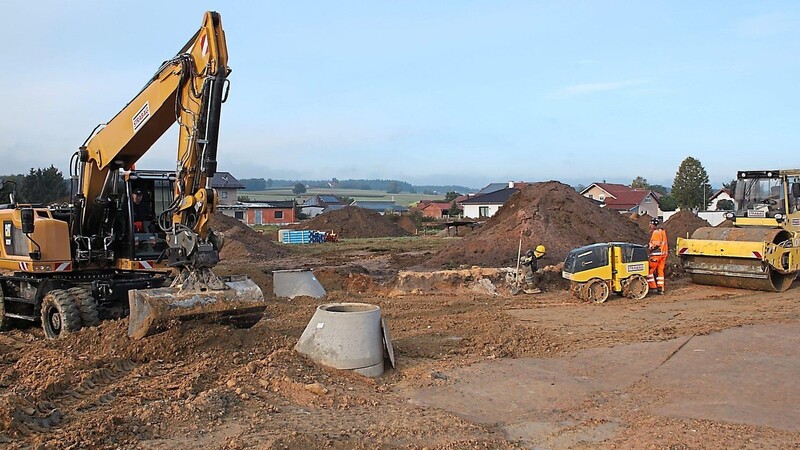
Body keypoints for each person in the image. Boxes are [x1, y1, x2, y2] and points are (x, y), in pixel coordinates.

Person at [647, 218, 668, 295]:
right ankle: (661, 288)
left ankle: (653, 287)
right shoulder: (663, 231)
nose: (649, 226)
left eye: (650, 224)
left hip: (656, 255)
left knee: (649, 270)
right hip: (663, 254)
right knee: (660, 271)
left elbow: (656, 244)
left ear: (653, 224)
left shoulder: (656, 232)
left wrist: (649, 247)